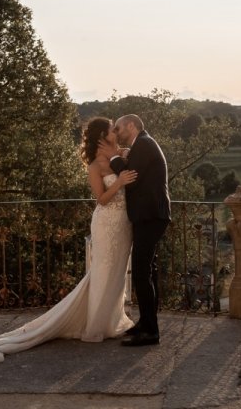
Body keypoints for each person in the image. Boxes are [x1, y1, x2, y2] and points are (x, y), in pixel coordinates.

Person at [0, 117, 137, 367]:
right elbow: (102, 200)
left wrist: (122, 157)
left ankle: (111, 320)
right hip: (106, 223)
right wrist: (119, 182)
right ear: (101, 136)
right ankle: (96, 326)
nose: (116, 132)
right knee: (102, 272)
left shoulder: (120, 156)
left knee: (116, 273)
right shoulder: (95, 166)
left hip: (123, 224)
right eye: (112, 129)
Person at [101, 114, 171, 347]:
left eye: (119, 128)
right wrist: (121, 155)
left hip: (151, 216)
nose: (117, 132)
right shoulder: (142, 144)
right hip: (149, 216)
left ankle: (151, 331)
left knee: (142, 272)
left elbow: (130, 178)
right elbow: (131, 170)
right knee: (146, 272)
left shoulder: (144, 144)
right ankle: (147, 323)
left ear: (131, 126)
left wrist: (112, 155)